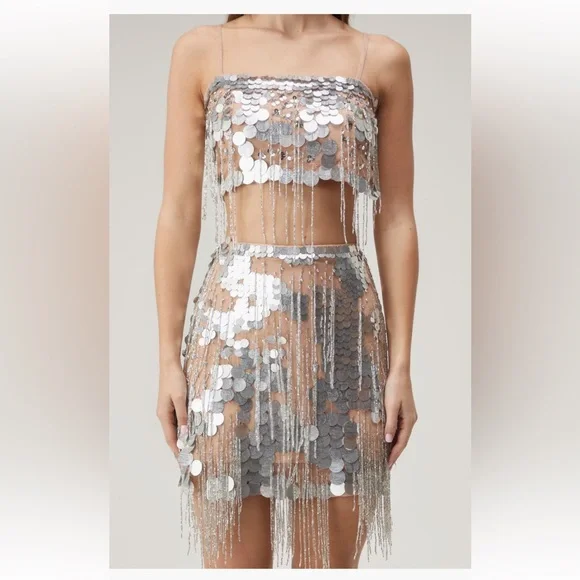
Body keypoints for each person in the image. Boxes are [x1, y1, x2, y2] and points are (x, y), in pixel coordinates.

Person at [154, 14, 418, 569]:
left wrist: (401, 368)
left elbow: (396, 217)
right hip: (232, 343)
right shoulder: (202, 50)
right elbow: (178, 211)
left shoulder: (382, 58)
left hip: (344, 342)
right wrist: (167, 360)